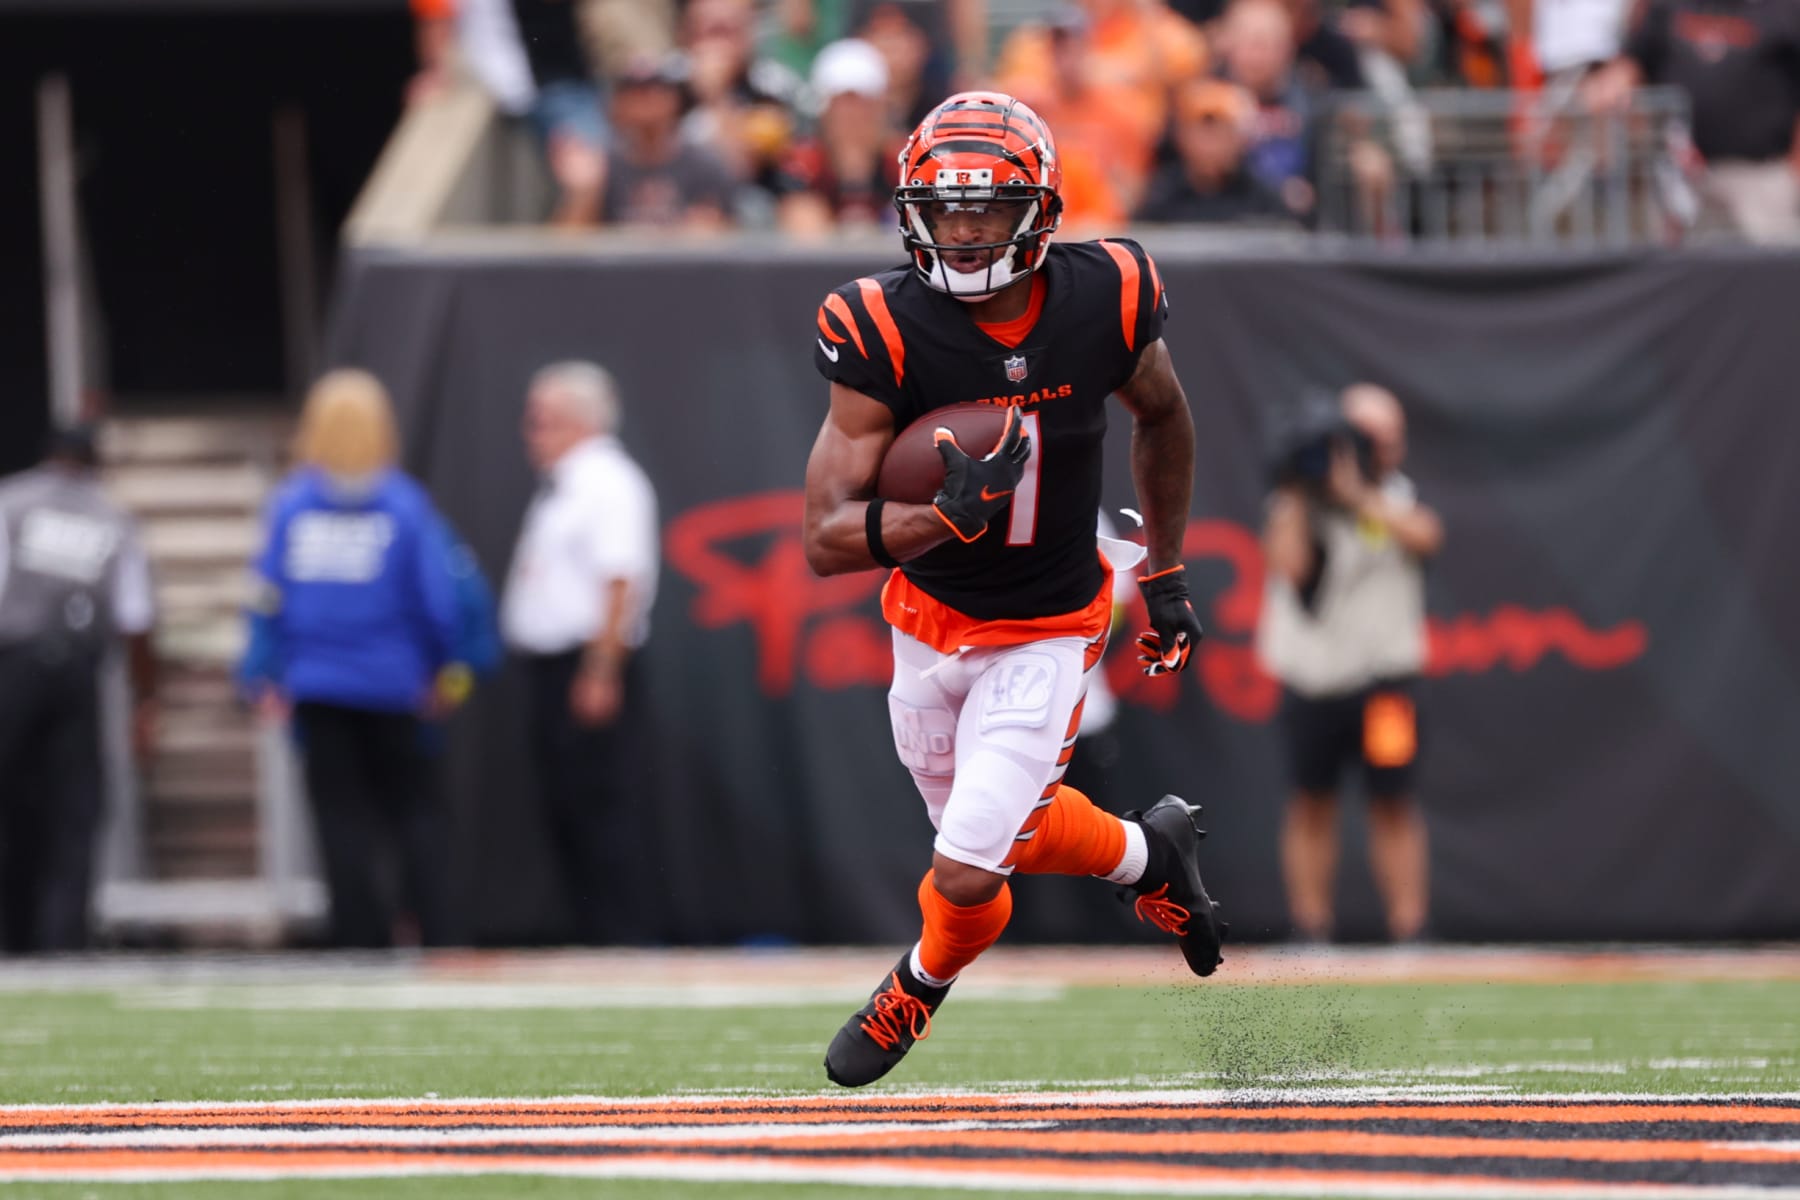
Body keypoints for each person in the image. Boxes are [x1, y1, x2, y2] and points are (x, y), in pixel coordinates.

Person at [801, 91, 1227, 1090]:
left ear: (1038, 207)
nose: (964, 229)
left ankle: (915, 987)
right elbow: (824, 538)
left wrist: (1162, 568)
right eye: (947, 209)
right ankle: (1147, 856)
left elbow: (1163, 418)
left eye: (987, 208)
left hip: (1048, 623)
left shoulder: (1106, 295)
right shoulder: (879, 327)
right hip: (927, 622)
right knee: (1014, 834)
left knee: (964, 865)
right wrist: (938, 520)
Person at [237, 369, 467, 949]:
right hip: (394, 685)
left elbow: (266, 597)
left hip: (318, 687)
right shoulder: (404, 505)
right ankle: (435, 933)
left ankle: (360, 942)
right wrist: (447, 668)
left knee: (341, 821)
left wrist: (258, 672)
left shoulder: (291, 506)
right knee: (414, 817)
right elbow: (437, 597)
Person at [1255, 383, 1444, 944]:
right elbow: (1288, 567)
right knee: (1310, 802)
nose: (1387, 447)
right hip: (1312, 683)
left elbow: (1428, 537)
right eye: (1372, 436)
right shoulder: (1292, 503)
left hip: (1385, 687)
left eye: (1393, 436)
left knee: (1393, 802)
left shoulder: (1397, 497)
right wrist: (1297, 490)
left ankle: (1411, 927)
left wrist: (1357, 494)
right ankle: (1310, 927)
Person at [500, 361, 660, 945]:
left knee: (599, 803)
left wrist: (600, 668)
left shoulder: (606, 483)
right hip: (555, 665)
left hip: (585, 662)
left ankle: (619, 936)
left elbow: (621, 579)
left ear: (577, 421)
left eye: (540, 421)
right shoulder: (567, 485)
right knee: (570, 804)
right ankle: (595, 931)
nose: (529, 433)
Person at [0, 425, 156, 953]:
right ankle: (60, 939)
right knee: (75, 811)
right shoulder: (112, 515)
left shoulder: (11, 501)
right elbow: (136, 619)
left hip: (13, 670)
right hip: (77, 674)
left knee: (12, 805)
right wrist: (145, 701)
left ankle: (14, 936)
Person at [1584, 0, 1800, 243]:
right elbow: (1632, 62)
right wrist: (1611, 85)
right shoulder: (1667, 7)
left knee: (1773, 270)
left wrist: (1794, 170)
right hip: (1682, 174)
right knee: (1677, 270)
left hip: (1761, 175)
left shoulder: (1784, 9)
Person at [407, 0, 609, 228]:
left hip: (559, 83)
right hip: (496, 85)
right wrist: (436, 70)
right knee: (586, 181)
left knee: (594, 177)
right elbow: (435, 16)